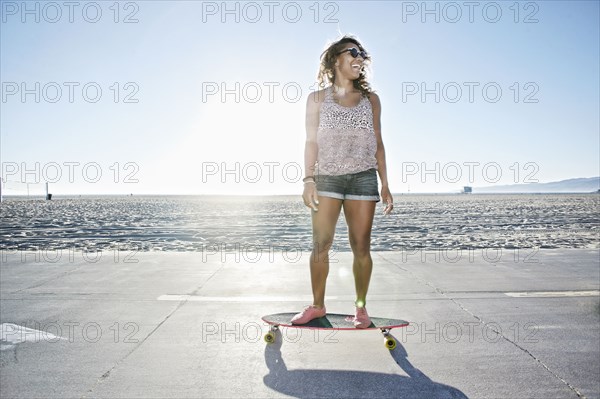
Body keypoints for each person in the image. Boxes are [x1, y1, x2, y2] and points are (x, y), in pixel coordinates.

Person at [291, 35, 393, 328]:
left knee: (361, 246)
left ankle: (360, 310)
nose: (360, 58)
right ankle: (317, 306)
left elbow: (379, 143)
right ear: (336, 59)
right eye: (354, 52)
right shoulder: (316, 99)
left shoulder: (371, 100)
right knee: (321, 244)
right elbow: (311, 141)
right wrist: (308, 179)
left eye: (363, 54)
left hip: (363, 178)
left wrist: (384, 183)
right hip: (326, 178)